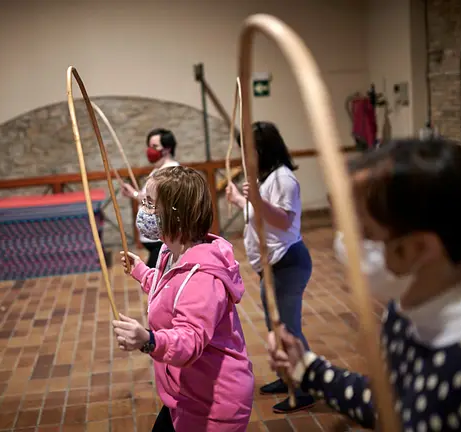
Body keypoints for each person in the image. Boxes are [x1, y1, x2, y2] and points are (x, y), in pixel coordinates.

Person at [268, 138, 461, 431]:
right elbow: (394, 405)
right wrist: (308, 369)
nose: (346, 244)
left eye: (365, 232)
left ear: (420, 247)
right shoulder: (404, 315)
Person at [113, 166, 254, 431]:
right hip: (186, 392)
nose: (143, 209)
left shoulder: (203, 278)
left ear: (175, 215)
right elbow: (170, 290)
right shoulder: (171, 252)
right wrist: (141, 272)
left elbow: (189, 340)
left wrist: (148, 340)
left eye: (149, 203)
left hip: (214, 403)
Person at [225, 121, 315, 413]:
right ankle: (288, 377)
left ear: (263, 150)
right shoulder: (266, 178)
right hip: (272, 265)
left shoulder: (284, 179)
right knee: (276, 327)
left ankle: (304, 388)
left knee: (288, 330)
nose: (244, 156)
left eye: (248, 150)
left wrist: (255, 199)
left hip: (287, 262)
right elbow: (260, 215)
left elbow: (284, 221)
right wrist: (242, 201)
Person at [121, 128, 179, 268]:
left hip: (162, 239)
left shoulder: (170, 171)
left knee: (153, 278)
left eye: (155, 146)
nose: (150, 150)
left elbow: (159, 203)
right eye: (149, 146)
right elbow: (150, 198)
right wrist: (134, 193)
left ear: (167, 148)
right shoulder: (158, 169)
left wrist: (134, 194)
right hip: (154, 239)